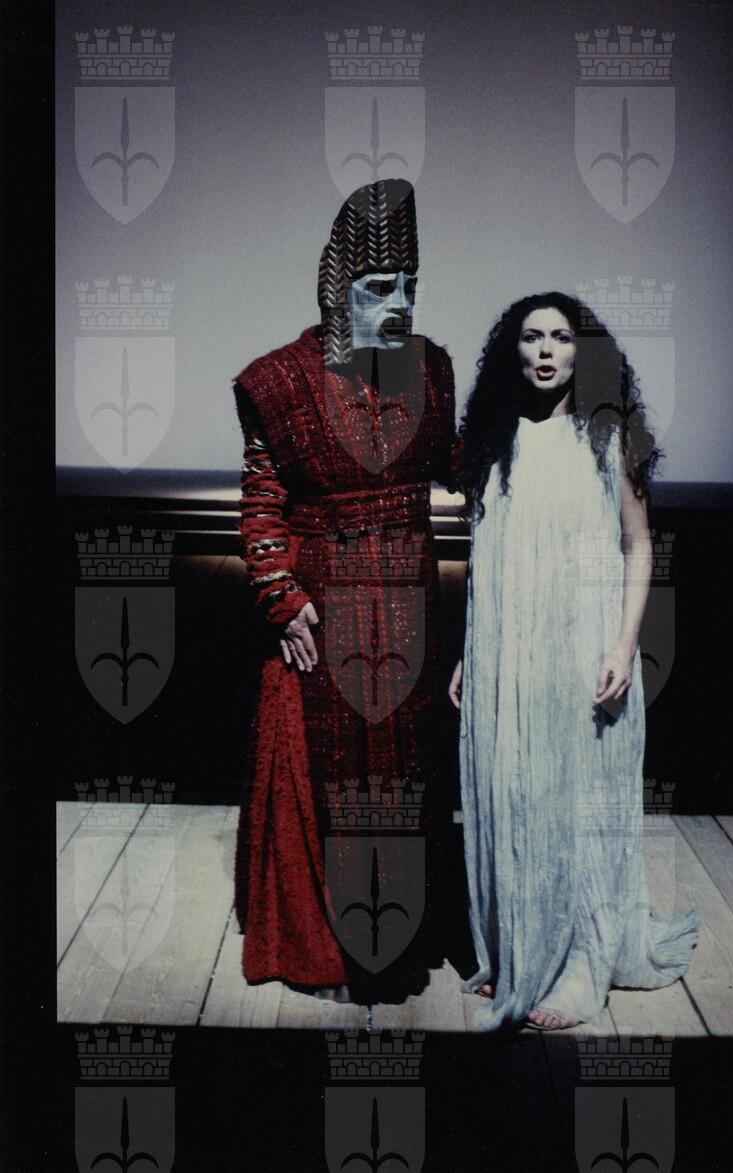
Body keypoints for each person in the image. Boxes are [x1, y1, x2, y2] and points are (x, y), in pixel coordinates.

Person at [232, 178, 459, 1004]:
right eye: (377, 287)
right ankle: (325, 943)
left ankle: (406, 932)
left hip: (408, 599)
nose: (397, 305)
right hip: (324, 602)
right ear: (338, 289)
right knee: (324, 770)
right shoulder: (282, 381)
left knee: (406, 771)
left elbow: (463, 466)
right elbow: (262, 501)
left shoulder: (431, 368)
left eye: (409, 285)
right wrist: (281, 593)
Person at [449, 292, 699, 1030]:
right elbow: (488, 558)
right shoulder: (493, 441)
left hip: (584, 650)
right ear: (513, 350)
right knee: (513, 796)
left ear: (582, 351)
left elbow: (638, 545)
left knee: (577, 804)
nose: (546, 351)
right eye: (532, 337)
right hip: (506, 654)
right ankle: (518, 954)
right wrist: (469, 651)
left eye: (561, 337)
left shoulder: (607, 437)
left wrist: (623, 644)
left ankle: (581, 967)